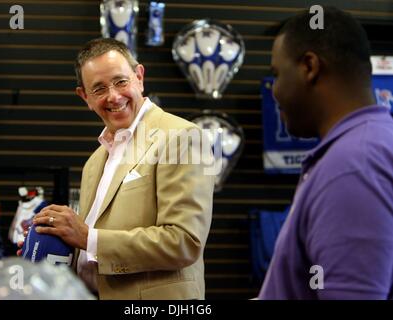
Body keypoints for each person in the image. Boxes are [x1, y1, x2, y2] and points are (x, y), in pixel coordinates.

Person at [26, 38, 215, 299]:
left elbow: (184, 242)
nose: (113, 96)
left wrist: (87, 238)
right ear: (85, 97)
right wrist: (47, 247)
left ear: (139, 77)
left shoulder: (182, 137)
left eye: (121, 81)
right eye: (99, 88)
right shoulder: (94, 162)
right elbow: (92, 254)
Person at [258, 7, 393, 299]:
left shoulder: (354, 165)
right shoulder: (370, 144)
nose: (275, 91)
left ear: (309, 66)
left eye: (277, 74)